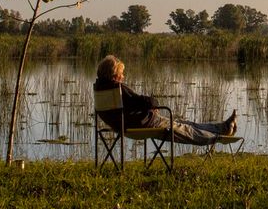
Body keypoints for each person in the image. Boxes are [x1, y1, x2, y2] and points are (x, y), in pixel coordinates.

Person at [94, 54, 237, 145]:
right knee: (185, 130)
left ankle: (223, 128)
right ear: (114, 75)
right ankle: (218, 137)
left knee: (184, 123)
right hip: (144, 125)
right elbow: (146, 102)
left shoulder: (99, 89)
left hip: (125, 127)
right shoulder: (118, 89)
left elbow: (132, 105)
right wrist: (153, 104)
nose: (123, 76)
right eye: (121, 73)